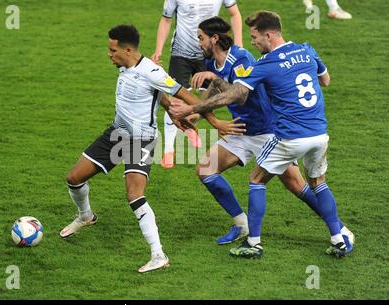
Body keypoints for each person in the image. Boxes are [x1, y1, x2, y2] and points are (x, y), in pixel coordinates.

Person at [170, 11, 353, 258]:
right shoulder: (212, 64)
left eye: (201, 37)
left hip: (267, 130)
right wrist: (193, 116)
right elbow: (214, 92)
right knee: (206, 169)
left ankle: (340, 230)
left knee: (295, 185)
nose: (198, 42)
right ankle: (241, 224)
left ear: (214, 39)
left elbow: (240, 94)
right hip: (241, 130)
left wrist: (197, 104)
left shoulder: (243, 58)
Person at [60, 25, 199, 273]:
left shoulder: (153, 72)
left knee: (134, 195)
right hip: (116, 134)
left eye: (112, 50)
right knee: (74, 178)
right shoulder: (125, 65)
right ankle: (86, 216)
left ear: (127, 49)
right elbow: (160, 95)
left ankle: (158, 255)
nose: (109, 54)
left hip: (141, 140)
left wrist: (214, 121)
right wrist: (167, 107)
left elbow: (189, 98)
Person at [151, 0, 243, 168]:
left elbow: (235, 13)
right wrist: (158, 50)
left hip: (207, 53)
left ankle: (190, 124)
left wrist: (239, 45)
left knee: (209, 98)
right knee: (177, 100)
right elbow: (166, 19)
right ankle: (169, 150)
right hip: (181, 53)